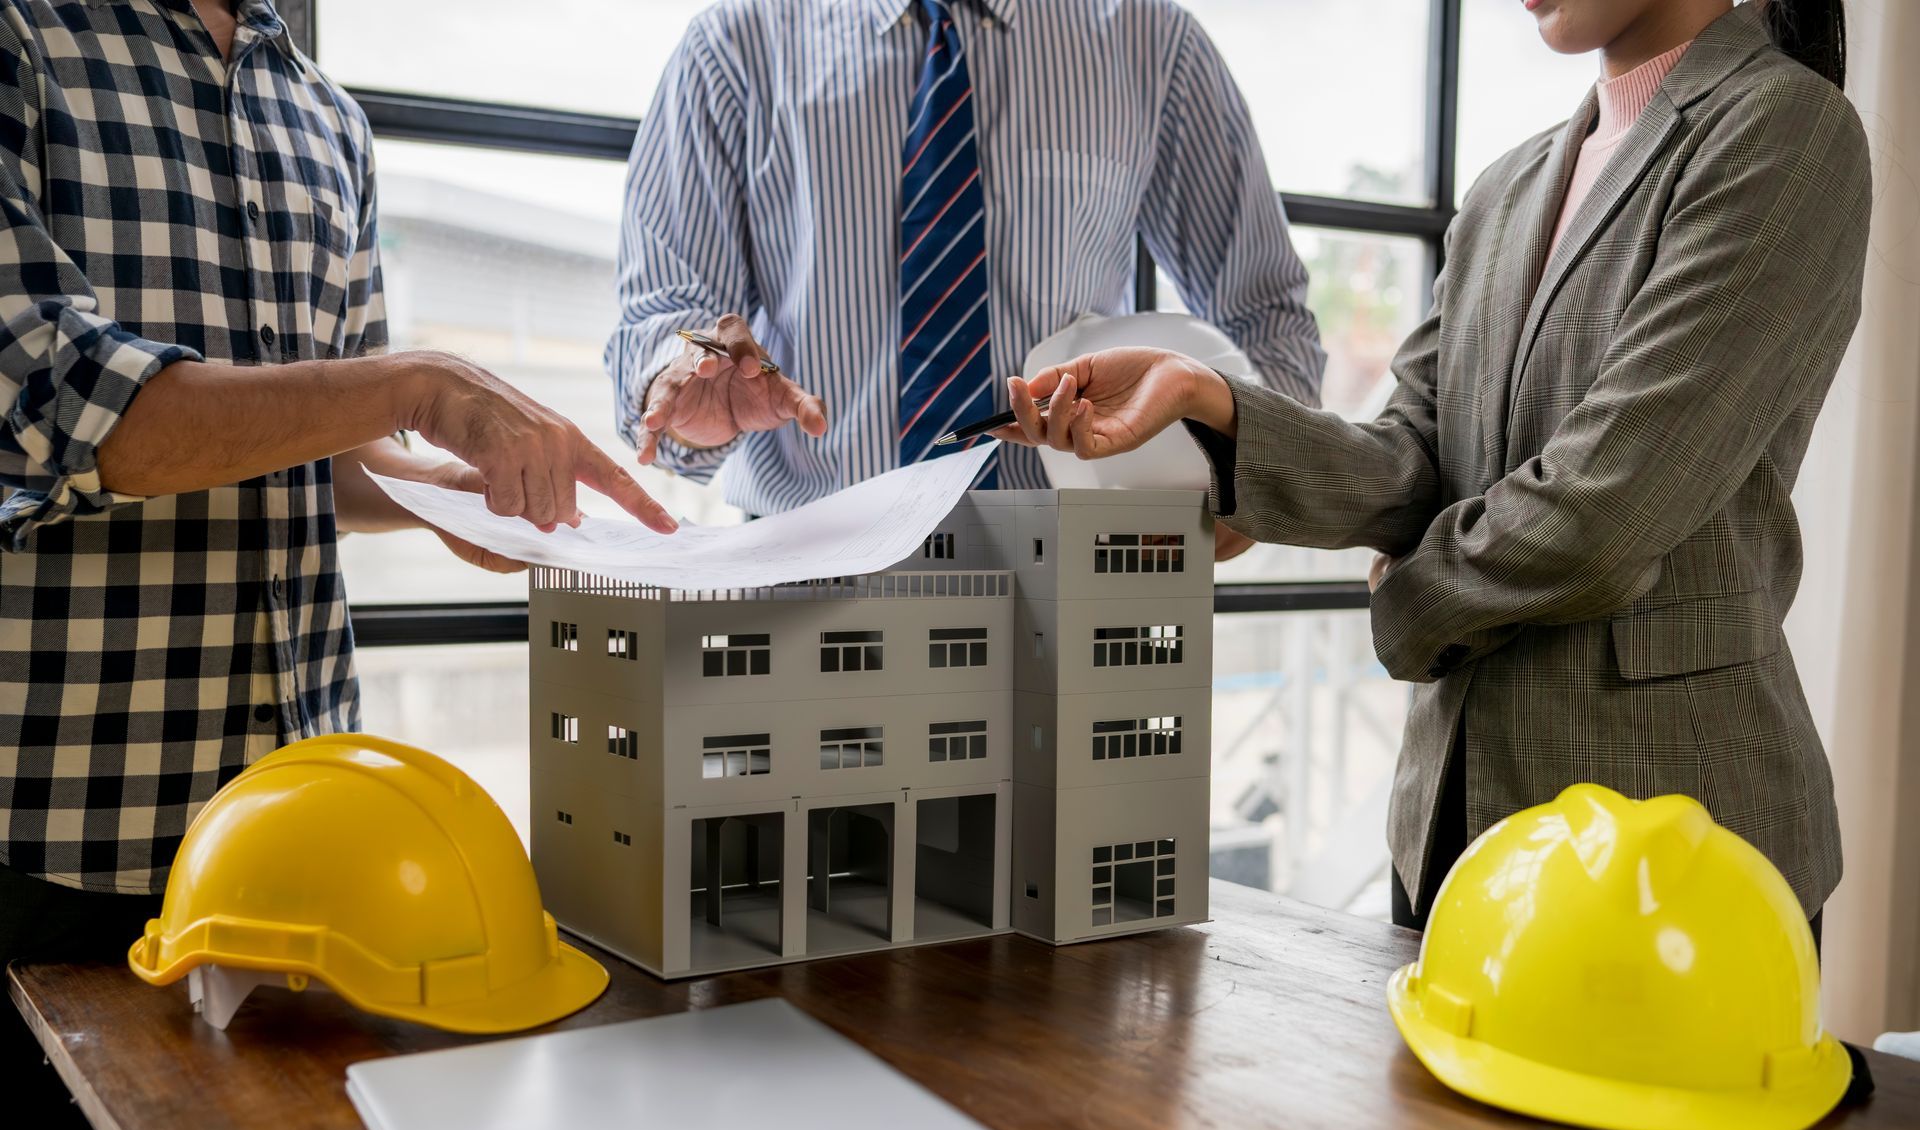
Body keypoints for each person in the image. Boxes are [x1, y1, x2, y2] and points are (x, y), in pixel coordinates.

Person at [0, 1, 675, 1130]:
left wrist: (444, 493)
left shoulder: (327, 118)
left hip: (295, 861)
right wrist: (421, 384)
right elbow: (64, 411)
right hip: (51, 838)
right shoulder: (26, 40)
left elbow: (324, 445)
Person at [991, 0, 1866, 938]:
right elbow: (1412, 458)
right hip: (1450, 829)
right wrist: (1208, 400)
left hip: (1673, 852)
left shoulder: (1788, 129)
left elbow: (1604, 511)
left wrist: (1406, 602)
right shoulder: (1508, 185)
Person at [608, 0, 1326, 560]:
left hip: (1076, 577)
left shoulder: (1151, 41)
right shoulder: (734, 46)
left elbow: (1265, 315)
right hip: (801, 573)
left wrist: (1255, 474)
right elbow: (666, 316)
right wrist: (686, 384)